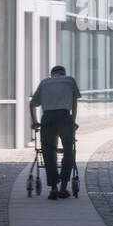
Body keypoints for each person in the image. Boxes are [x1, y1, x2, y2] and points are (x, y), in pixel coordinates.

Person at [29, 64, 80, 200]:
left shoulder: (45, 82)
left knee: (48, 151)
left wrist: (34, 121)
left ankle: (53, 187)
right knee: (68, 150)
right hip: (64, 117)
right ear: (63, 73)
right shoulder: (70, 80)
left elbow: (32, 103)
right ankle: (63, 186)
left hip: (48, 117)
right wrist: (73, 122)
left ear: (52, 74)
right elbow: (74, 103)